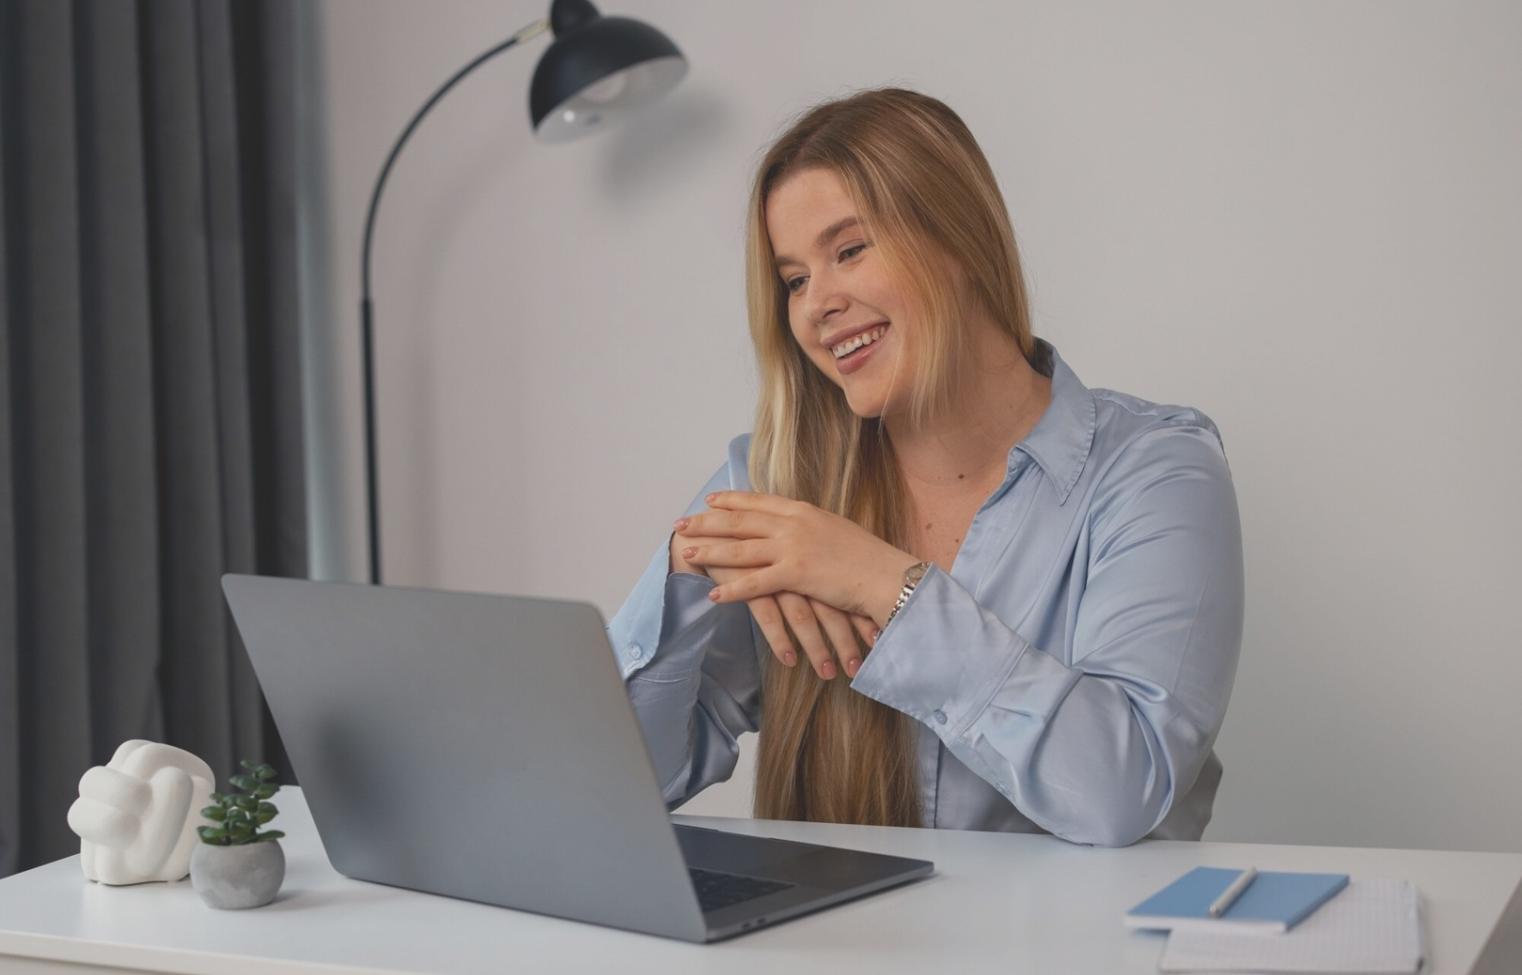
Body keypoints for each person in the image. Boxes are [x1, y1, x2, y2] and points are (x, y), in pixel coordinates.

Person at [605, 87, 1244, 847]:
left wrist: (885, 585)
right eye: (795, 279)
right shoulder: (775, 482)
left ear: (960, 240)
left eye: (848, 251)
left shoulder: (1154, 472)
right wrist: (681, 573)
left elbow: (1124, 787)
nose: (815, 306)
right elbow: (616, 791)